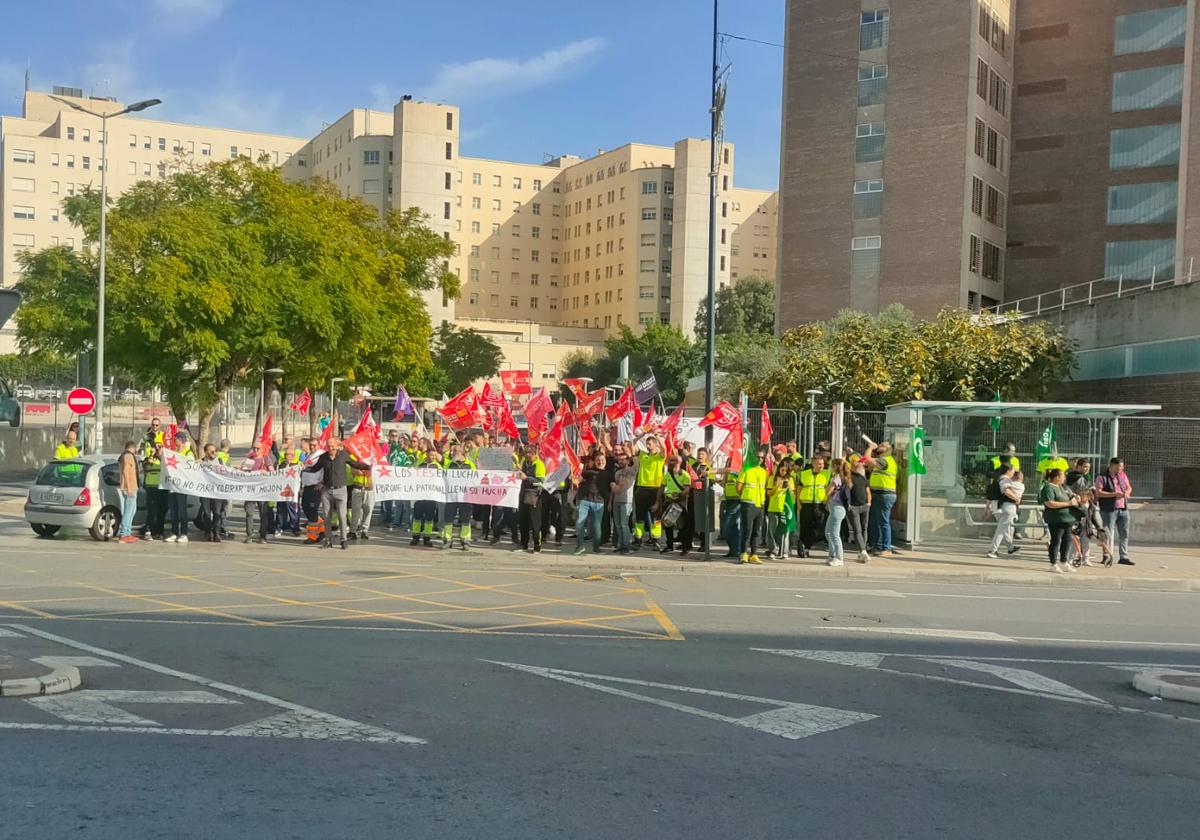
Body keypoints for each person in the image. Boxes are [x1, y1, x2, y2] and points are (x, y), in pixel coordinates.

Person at [314, 436, 353, 549]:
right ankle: (328, 540)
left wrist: (368, 467)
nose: (330, 448)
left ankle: (343, 540)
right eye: (328, 445)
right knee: (327, 516)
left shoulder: (343, 455)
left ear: (337, 446)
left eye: (332, 445)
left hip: (341, 490)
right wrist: (301, 468)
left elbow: (354, 463)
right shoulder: (323, 457)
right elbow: (315, 468)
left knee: (342, 515)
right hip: (326, 490)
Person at [1094, 457, 1134, 566]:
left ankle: (1123, 556)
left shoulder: (1122, 475)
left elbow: (1129, 487)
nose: (1122, 468)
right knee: (1107, 533)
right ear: (1112, 465)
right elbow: (1098, 493)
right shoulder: (1101, 477)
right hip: (1108, 509)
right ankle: (1106, 555)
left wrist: (1127, 493)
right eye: (1119, 466)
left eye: (1122, 466)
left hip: (1123, 508)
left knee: (1124, 533)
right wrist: (1115, 494)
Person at [735, 447, 770, 565]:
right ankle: (743, 553)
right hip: (748, 504)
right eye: (757, 457)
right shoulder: (746, 469)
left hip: (760, 504)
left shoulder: (763, 472)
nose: (759, 459)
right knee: (747, 530)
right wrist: (745, 497)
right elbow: (738, 487)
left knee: (757, 531)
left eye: (762, 457)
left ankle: (754, 554)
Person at [1039, 468, 1078, 574]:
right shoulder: (1048, 488)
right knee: (1056, 541)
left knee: (1067, 540)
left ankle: (1064, 562)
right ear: (1056, 477)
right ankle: (1053, 563)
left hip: (1068, 519)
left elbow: (1071, 495)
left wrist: (1076, 498)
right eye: (1063, 476)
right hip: (1056, 520)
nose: (1064, 478)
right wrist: (1068, 504)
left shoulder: (1063, 487)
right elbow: (1049, 503)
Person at [865, 440, 898, 557]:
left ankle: (886, 548)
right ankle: (878, 545)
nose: (879, 446)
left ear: (888, 449)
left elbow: (867, 459)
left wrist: (870, 448)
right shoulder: (882, 460)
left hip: (885, 494)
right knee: (877, 521)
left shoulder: (885, 460)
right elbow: (866, 462)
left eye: (882, 445)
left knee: (883, 522)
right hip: (879, 494)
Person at [632, 435, 666, 550]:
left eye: (650, 444)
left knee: (656, 517)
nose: (648, 446)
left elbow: (664, 449)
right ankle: (638, 538)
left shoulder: (659, 457)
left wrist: (657, 436)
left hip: (655, 489)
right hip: (641, 488)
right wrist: (642, 434)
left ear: (655, 445)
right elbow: (632, 444)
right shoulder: (643, 454)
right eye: (647, 444)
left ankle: (656, 539)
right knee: (639, 516)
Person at [573, 453, 608, 555]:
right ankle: (580, 546)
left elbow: (612, 484)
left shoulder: (609, 473)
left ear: (605, 461)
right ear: (595, 461)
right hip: (585, 501)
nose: (600, 462)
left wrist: (616, 487)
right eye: (598, 460)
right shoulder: (589, 471)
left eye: (602, 460)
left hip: (599, 503)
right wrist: (576, 481)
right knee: (580, 523)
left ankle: (596, 548)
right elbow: (580, 479)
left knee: (597, 527)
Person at [441, 444, 475, 549]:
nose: (454, 452)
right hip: (451, 497)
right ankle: (447, 540)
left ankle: (465, 540)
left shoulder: (470, 465)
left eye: (456, 450)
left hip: (465, 497)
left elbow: (475, 479)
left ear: (462, 452)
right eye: (453, 451)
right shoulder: (449, 464)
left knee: (466, 519)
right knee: (448, 519)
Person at [796, 454, 831, 558]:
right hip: (806, 504)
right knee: (805, 527)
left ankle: (805, 544)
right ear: (813, 464)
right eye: (819, 464)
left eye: (823, 464)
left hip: (820, 504)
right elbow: (799, 490)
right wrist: (798, 503)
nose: (821, 466)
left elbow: (830, 489)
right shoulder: (804, 474)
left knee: (820, 528)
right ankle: (803, 549)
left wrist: (827, 501)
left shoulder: (827, 474)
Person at [986, 467, 1024, 559]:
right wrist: (1017, 499)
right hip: (1008, 507)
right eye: (1013, 471)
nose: (1013, 473)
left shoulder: (997, 479)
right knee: (1001, 530)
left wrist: (987, 508)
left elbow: (990, 496)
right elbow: (1006, 491)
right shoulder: (1005, 480)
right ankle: (992, 550)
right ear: (1008, 471)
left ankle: (1010, 547)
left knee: (1006, 529)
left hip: (998, 508)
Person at [658, 454, 693, 555]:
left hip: (680, 502)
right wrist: (658, 501)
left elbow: (687, 490)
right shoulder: (667, 475)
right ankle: (669, 546)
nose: (672, 463)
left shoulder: (685, 475)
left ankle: (685, 546)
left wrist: (679, 494)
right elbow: (661, 488)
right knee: (668, 524)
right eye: (670, 461)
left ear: (679, 463)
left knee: (683, 526)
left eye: (674, 461)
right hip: (669, 501)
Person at [164, 432, 194, 544]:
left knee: (182, 510)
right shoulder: (174, 452)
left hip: (182, 486)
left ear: (180, 440)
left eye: (175, 439)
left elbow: (190, 469)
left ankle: (184, 533)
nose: (173, 441)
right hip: (172, 486)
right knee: (174, 511)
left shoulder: (188, 453)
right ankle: (174, 532)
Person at [765, 459, 795, 560]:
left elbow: (793, 496)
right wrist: (776, 485)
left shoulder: (790, 480)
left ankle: (784, 551)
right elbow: (769, 493)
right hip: (773, 507)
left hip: (785, 508)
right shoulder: (772, 478)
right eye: (782, 470)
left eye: (786, 471)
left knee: (785, 530)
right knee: (772, 530)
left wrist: (789, 489)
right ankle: (773, 550)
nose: (784, 472)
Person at [824, 458, 852, 567]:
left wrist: (829, 489)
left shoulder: (837, 478)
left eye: (831, 465)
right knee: (829, 532)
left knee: (834, 534)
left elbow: (828, 491)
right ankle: (832, 555)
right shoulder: (845, 478)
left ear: (835, 466)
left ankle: (839, 558)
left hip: (837, 508)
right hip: (837, 509)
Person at [518, 445, 545, 553]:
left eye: (529, 453)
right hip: (523, 495)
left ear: (534, 454)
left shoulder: (539, 465)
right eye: (525, 453)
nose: (527, 456)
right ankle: (524, 544)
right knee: (523, 521)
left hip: (534, 497)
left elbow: (540, 482)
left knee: (535, 523)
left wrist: (527, 478)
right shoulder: (525, 461)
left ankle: (537, 545)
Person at [610, 450, 637, 555]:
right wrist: (610, 502)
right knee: (617, 524)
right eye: (619, 459)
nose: (620, 461)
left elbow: (623, 487)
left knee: (624, 524)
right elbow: (615, 489)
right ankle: (621, 545)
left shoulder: (631, 471)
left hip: (627, 501)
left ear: (627, 460)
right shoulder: (617, 473)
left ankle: (627, 546)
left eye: (623, 459)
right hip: (616, 500)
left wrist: (615, 487)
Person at [276, 436, 302, 537]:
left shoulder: (297, 465)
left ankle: (295, 528)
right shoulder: (281, 465)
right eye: (286, 454)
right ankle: (279, 527)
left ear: (293, 455)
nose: (287, 456)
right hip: (282, 491)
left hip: (293, 492)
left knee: (293, 510)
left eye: (290, 455)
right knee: (281, 509)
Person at [846, 457, 871, 562]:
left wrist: (869, 503)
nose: (860, 464)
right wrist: (849, 505)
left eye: (861, 464)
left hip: (865, 506)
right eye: (857, 463)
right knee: (857, 529)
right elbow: (847, 490)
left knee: (864, 528)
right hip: (854, 507)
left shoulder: (863, 478)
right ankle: (863, 550)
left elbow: (868, 491)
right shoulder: (849, 477)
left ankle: (862, 551)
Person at [141, 443, 168, 541]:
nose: (158, 449)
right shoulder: (150, 459)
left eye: (160, 447)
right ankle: (148, 531)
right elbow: (146, 468)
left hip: (163, 488)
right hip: (152, 488)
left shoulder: (166, 460)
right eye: (157, 447)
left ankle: (159, 531)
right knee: (152, 510)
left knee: (162, 510)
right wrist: (151, 455)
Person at [199, 443, 224, 543]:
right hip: (205, 491)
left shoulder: (220, 461)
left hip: (217, 492)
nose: (214, 452)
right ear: (206, 452)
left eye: (214, 450)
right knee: (207, 513)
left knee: (217, 513)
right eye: (211, 450)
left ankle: (216, 533)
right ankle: (208, 532)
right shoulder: (201, 462)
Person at [116, 440, 139, 544]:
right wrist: (129, 487)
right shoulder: (128, 456)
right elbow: (126, 471)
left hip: (131, 487)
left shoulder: (124, 456)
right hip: (129, 488)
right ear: (133, 448)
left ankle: (127, 532)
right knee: (128, 511)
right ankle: (124, 534)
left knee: (132, 510)